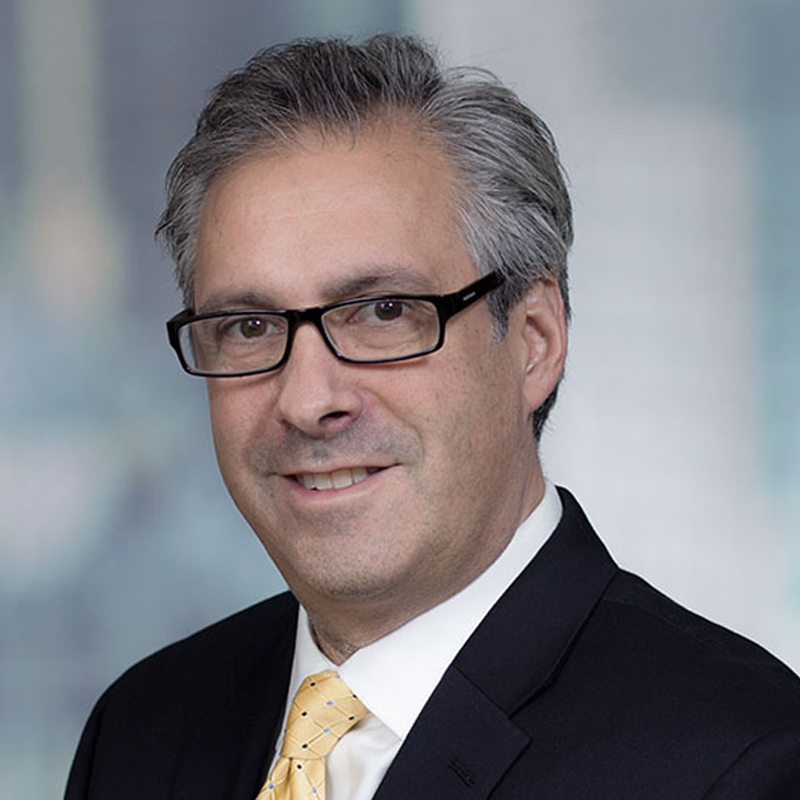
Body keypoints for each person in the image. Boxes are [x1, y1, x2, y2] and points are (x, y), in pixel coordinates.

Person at [65, 34, 800, 800]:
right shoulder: (139, 732)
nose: (308, 401)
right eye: (249, 326)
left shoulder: (742, 765)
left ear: (534, 341)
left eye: (384, 312)